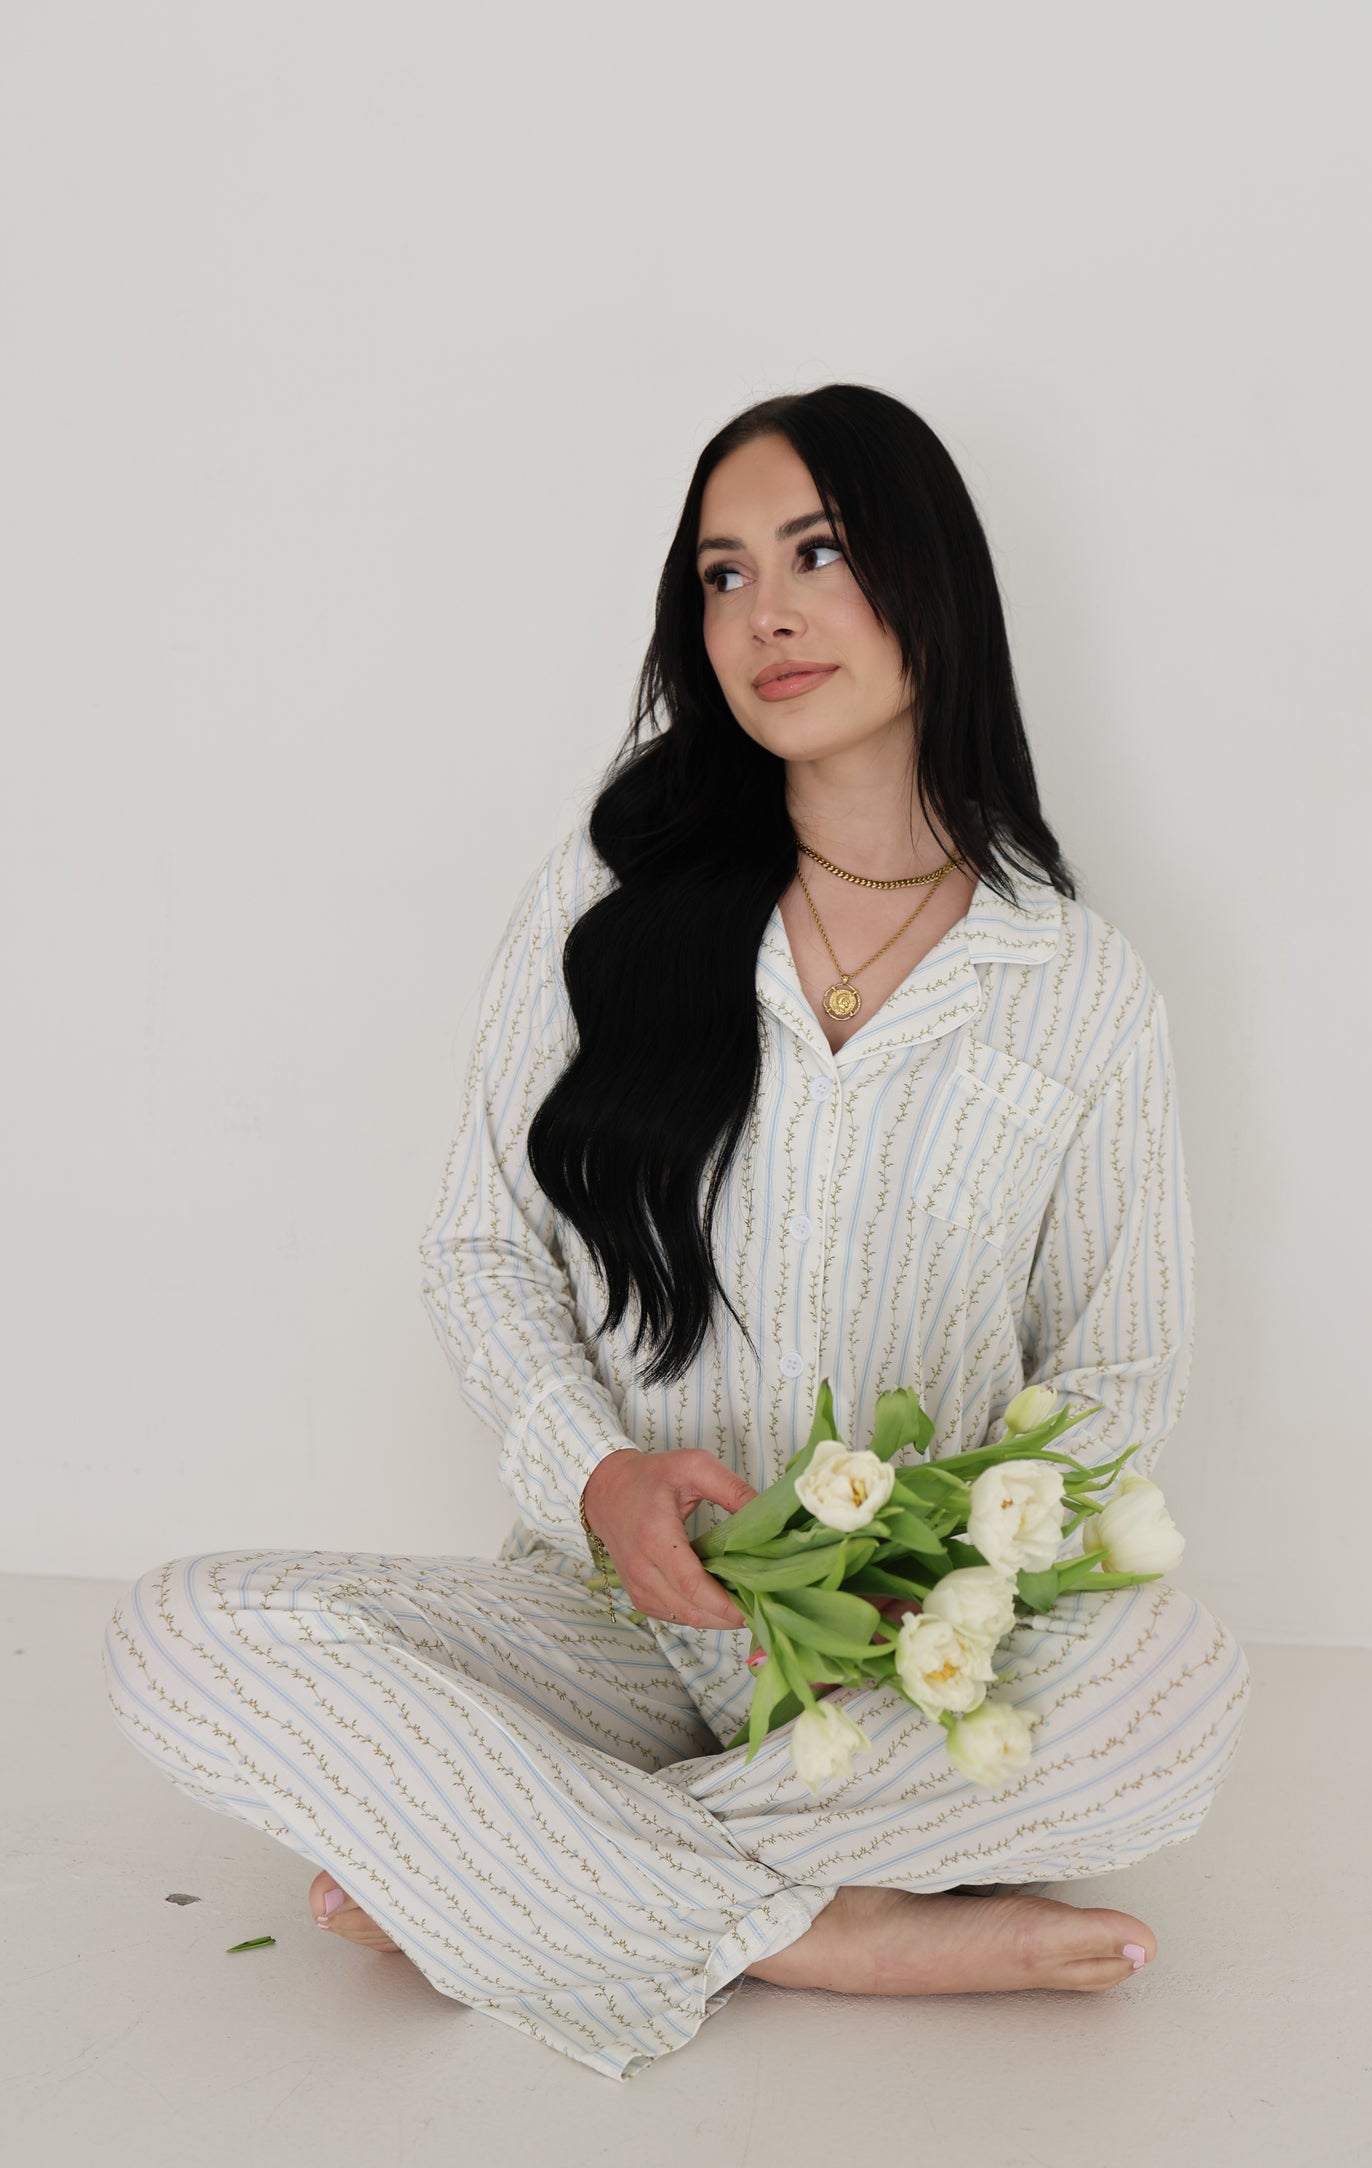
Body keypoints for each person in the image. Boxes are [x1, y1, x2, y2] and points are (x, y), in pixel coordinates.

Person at [101, 384, 1251, 2083]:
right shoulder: (610, 894)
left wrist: (910, 1571)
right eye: (719, 575)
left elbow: (1119, 1358)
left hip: (892, 1661)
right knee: (181, 1633)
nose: (764, 612)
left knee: (1175, 1694)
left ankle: (521, 1865)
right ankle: (816, 1926)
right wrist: (596, 1477)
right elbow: (477, 1245)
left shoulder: (1075, 987)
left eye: (818, 553)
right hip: (607, 1618)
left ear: (931, 577)